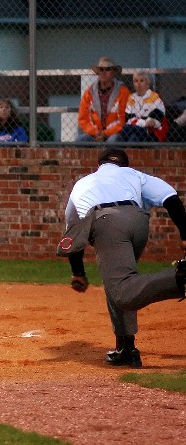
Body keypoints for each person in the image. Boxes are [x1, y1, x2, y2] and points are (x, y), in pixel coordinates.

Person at [57, 148, 186, 368]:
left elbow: (73, 232)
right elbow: (170, 197)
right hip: (138, 221)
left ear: (100, 165)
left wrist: (78, 272)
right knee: (119, 280)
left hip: (107, 222)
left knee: (123, 290)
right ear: (124, 165)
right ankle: (126, 347)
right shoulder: (133, 174)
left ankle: (181, 279)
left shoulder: (83, 182)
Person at [76, 57, 130, 142]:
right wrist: (95, 132)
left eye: (107, 69)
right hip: (94, 133)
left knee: (113, 141)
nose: (104, 72)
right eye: (101, 69)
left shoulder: (123, 92)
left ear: (113, 72)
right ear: (98, 72)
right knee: (80, 140)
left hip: (114, 133)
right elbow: (83, 119)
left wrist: (106, 133)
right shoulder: (89, 93)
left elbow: (123, 120)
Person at [116, 71, 169, 142]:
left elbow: (155, 119)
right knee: (130, 135)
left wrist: (142, 122)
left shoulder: (154, 97)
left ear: (148, 84)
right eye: (136, 81)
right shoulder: (131, 98)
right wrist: (143, 123)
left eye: (141, 80)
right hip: (135, 129)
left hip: (151, 132)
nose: (138, 83)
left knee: (128, 132)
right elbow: (129, 118)